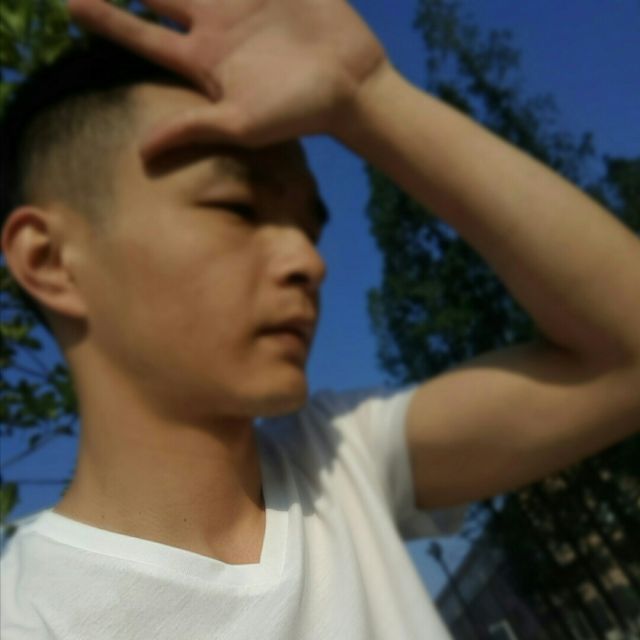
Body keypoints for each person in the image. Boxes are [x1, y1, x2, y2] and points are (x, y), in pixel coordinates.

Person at [1, 0, 639, 638]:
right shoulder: (34, 618)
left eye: (309, 227)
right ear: (49, 260)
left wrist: (369, 95)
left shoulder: (341, 460)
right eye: (237, 206)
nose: (308, 260)